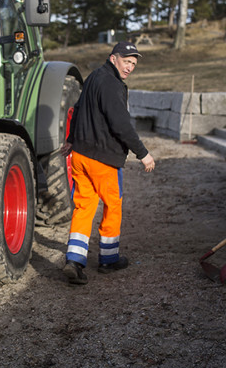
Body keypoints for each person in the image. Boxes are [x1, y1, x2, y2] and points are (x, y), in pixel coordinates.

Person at [61, 41, 156, 285]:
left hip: (81, 156)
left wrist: (71, 140)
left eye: (133, 64)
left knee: (84, 207)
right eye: (126, 61)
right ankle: (109, 259)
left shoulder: (93, 77)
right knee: (113, 205)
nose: (130, 67)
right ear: (113, 58)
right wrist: (142, 153)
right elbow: (121, 124)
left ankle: (74, 261)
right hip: (103, 159)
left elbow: (79, 108)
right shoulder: (112, 84)